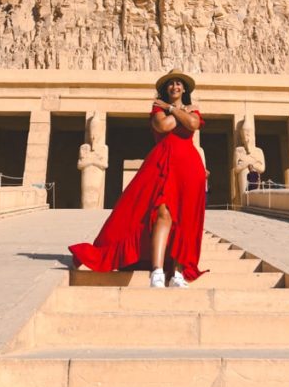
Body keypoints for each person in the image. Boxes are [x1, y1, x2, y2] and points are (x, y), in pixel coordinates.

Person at [69, 69, 207, 287]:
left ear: (184, 89)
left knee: (185, 219)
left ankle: (177, 272)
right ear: (166, 89)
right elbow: (164, 126)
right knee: (163, 212)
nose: (175, 87)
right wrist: (179, 111)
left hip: (189, 168)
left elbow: (193, 125)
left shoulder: (190, 110)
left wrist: (172, 109)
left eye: (179, 83)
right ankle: (157, 271)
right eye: (171, 84)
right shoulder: (158, 108)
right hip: (163, 163)